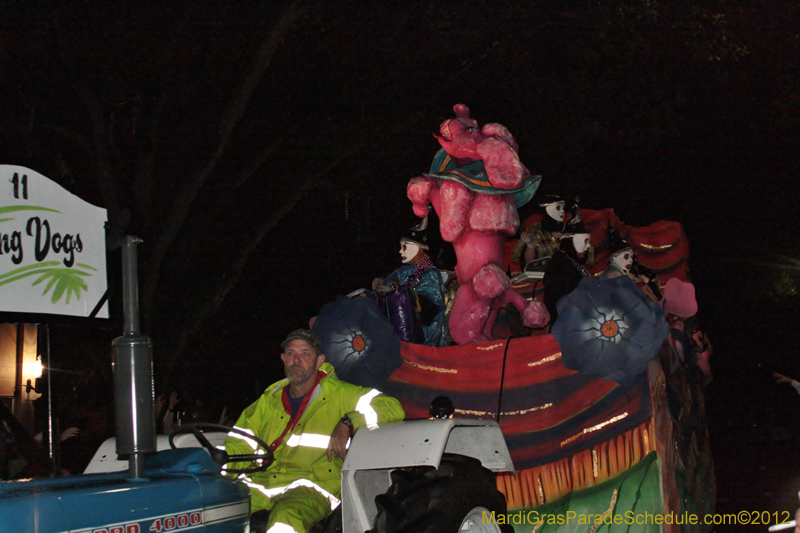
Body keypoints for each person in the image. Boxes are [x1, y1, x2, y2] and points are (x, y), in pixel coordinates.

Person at [224, 329, 405, 533]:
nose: (296, 360)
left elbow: (391, 407)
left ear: (319, 361)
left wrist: (348, 421)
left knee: (286, 519)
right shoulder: (267, 401)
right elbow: (239, 445)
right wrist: (215, 464)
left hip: (311, 487)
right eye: (291, 353)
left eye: (305, 354)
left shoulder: (339, 394)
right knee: (212, 510)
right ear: (283, 359)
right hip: (260, 487)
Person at [372, 220, 450, 346]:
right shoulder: (401, 272)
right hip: (396, 336)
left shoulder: (431, 274)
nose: (400, 251)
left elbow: (430, 310)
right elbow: (384, 287)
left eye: (405, 246)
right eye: (400, 246)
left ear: (420, 247)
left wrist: (397, 293)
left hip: (423, 340)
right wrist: (377, 285)